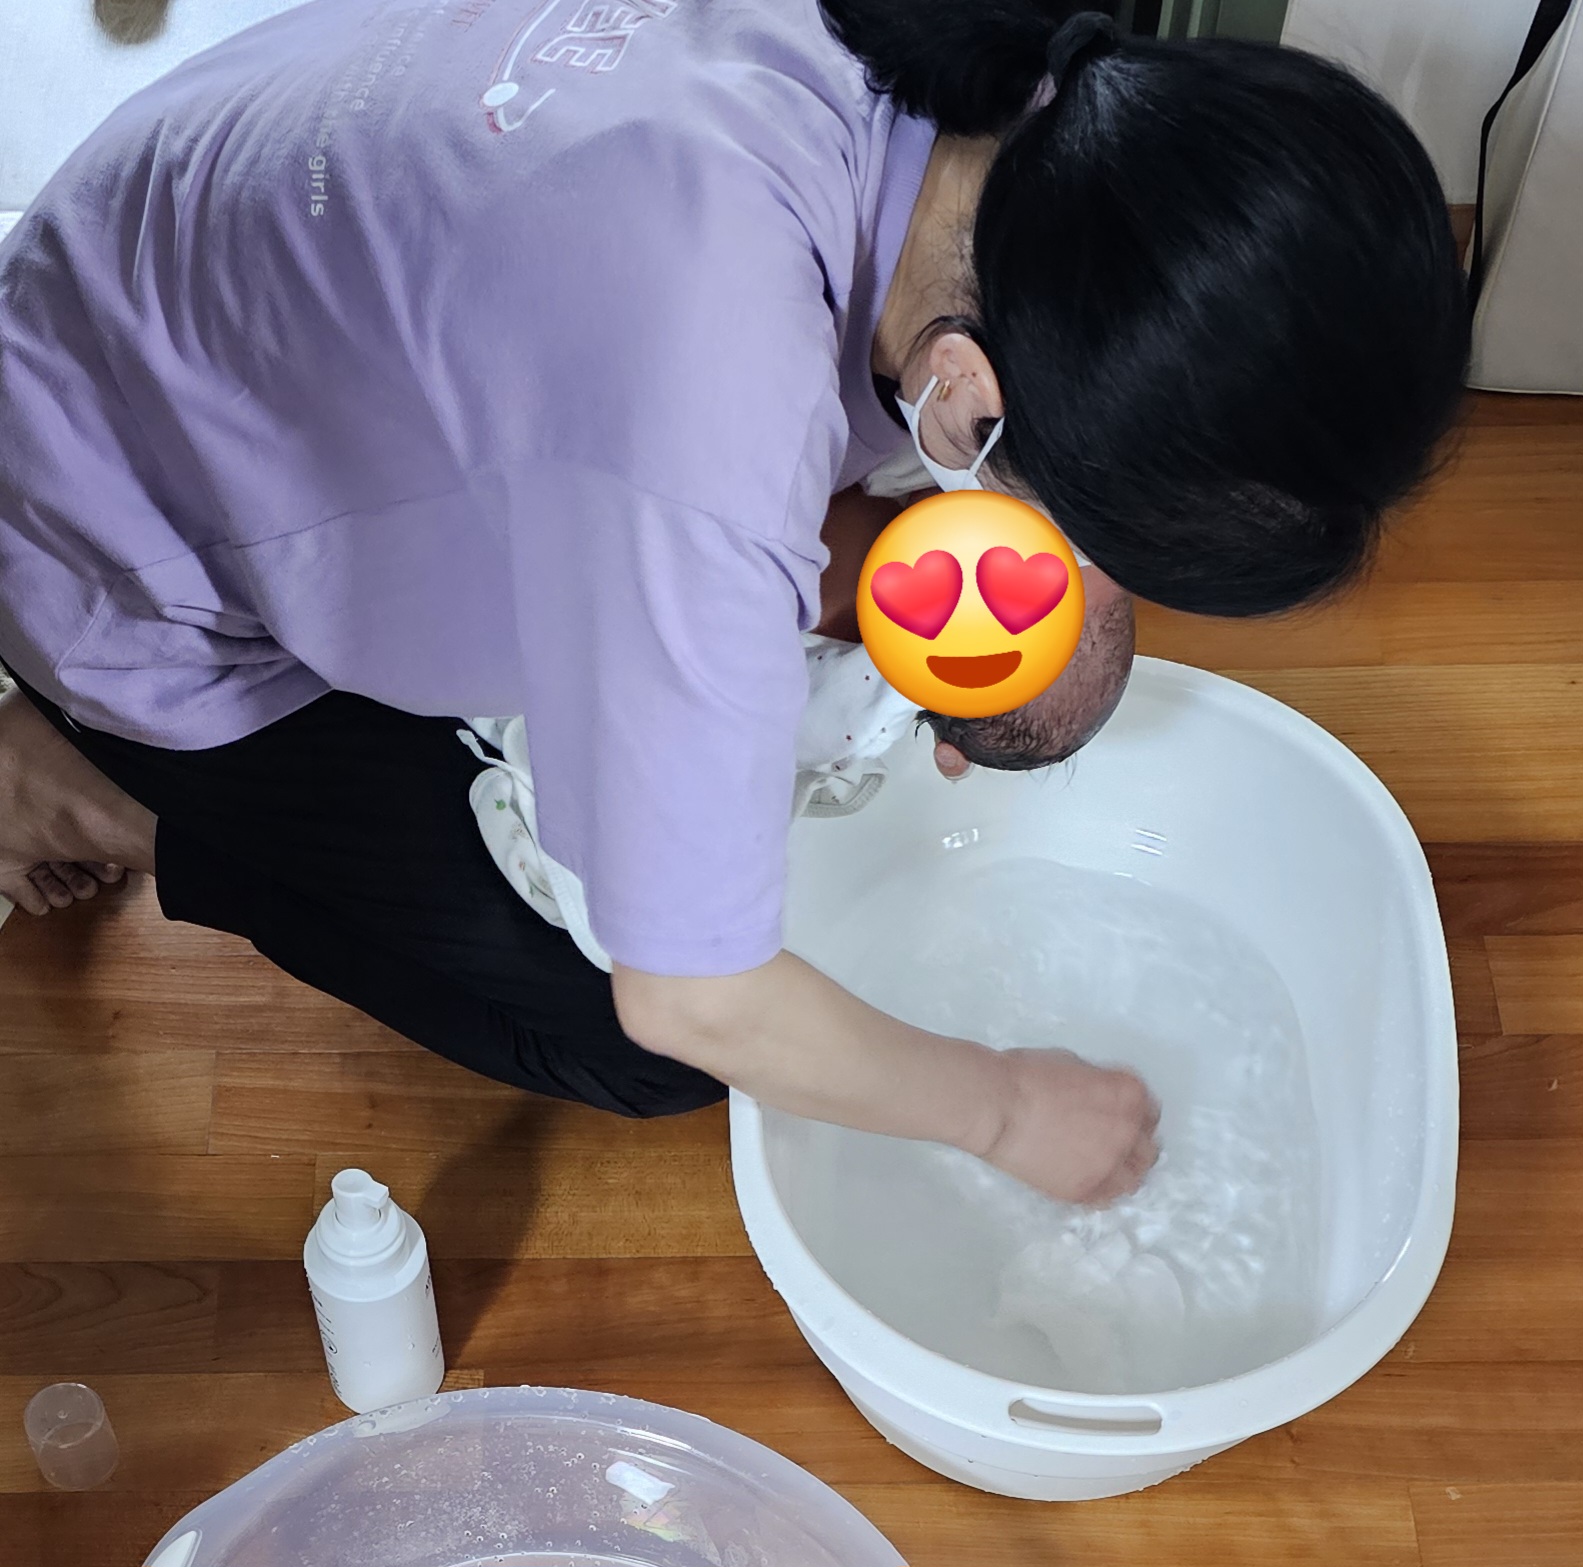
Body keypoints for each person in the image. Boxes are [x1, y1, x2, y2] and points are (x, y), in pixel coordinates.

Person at [0, 2, 1468, 1208]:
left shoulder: (1008, 100)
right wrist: (1012, 1109)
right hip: (111, 537)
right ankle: (82, 791)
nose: (1066, 576)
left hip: (189, 243)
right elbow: (691, 994)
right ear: (965, 394)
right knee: (637, 1046)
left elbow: (720, 477)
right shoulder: (700, 386)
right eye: (1090, 539)